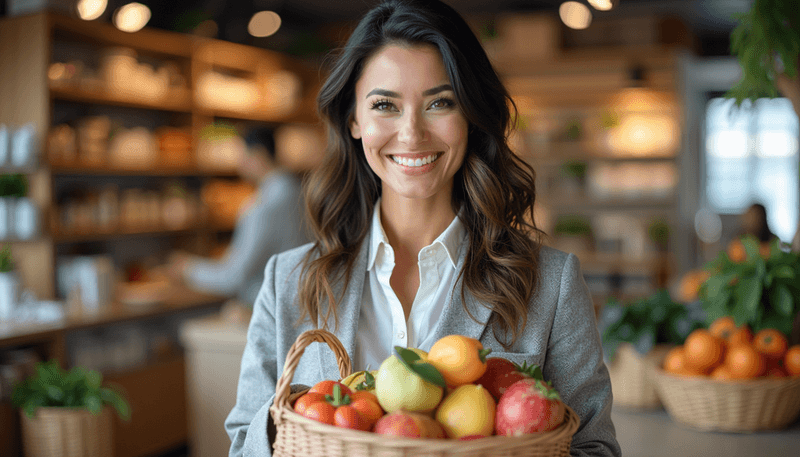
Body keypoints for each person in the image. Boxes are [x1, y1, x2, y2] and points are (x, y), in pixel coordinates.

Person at [225, 1, 620, 456]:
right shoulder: (287, 280)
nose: (411, 133)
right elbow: (243, 443)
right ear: (354, 120)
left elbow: (595, 448)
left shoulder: (551, 284)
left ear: (470, 116)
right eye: (384, 105)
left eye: (439, 102)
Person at [168, 127, 308, 306]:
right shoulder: (298, 193)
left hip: (271, 311)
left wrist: (187, 269)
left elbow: (233, 277)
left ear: (258, 154)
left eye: (241, 155)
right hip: (300, 306)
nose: (238, 164)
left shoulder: (264, 208)